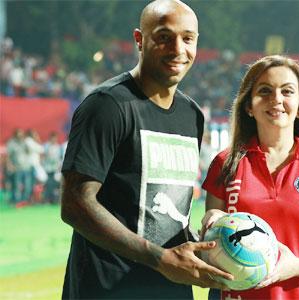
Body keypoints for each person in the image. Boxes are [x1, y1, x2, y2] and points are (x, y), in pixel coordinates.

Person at [60, 1, 232, 299]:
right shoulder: (107, 105)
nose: (178, 48)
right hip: (108, 290)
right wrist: (159, 259)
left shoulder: (192, 115)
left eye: (187, 38)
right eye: (164, 37)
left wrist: (206, 244)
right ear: (140, 39)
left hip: (172, 289)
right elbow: (75, 204)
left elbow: (167, 215)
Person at [201, 55, 299, 299]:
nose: (276, 99)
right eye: (265, 91)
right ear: (248, 106)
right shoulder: (225, 164)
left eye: (287, 91)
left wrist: (298, 267)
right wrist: (213, 222)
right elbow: (210, 249)